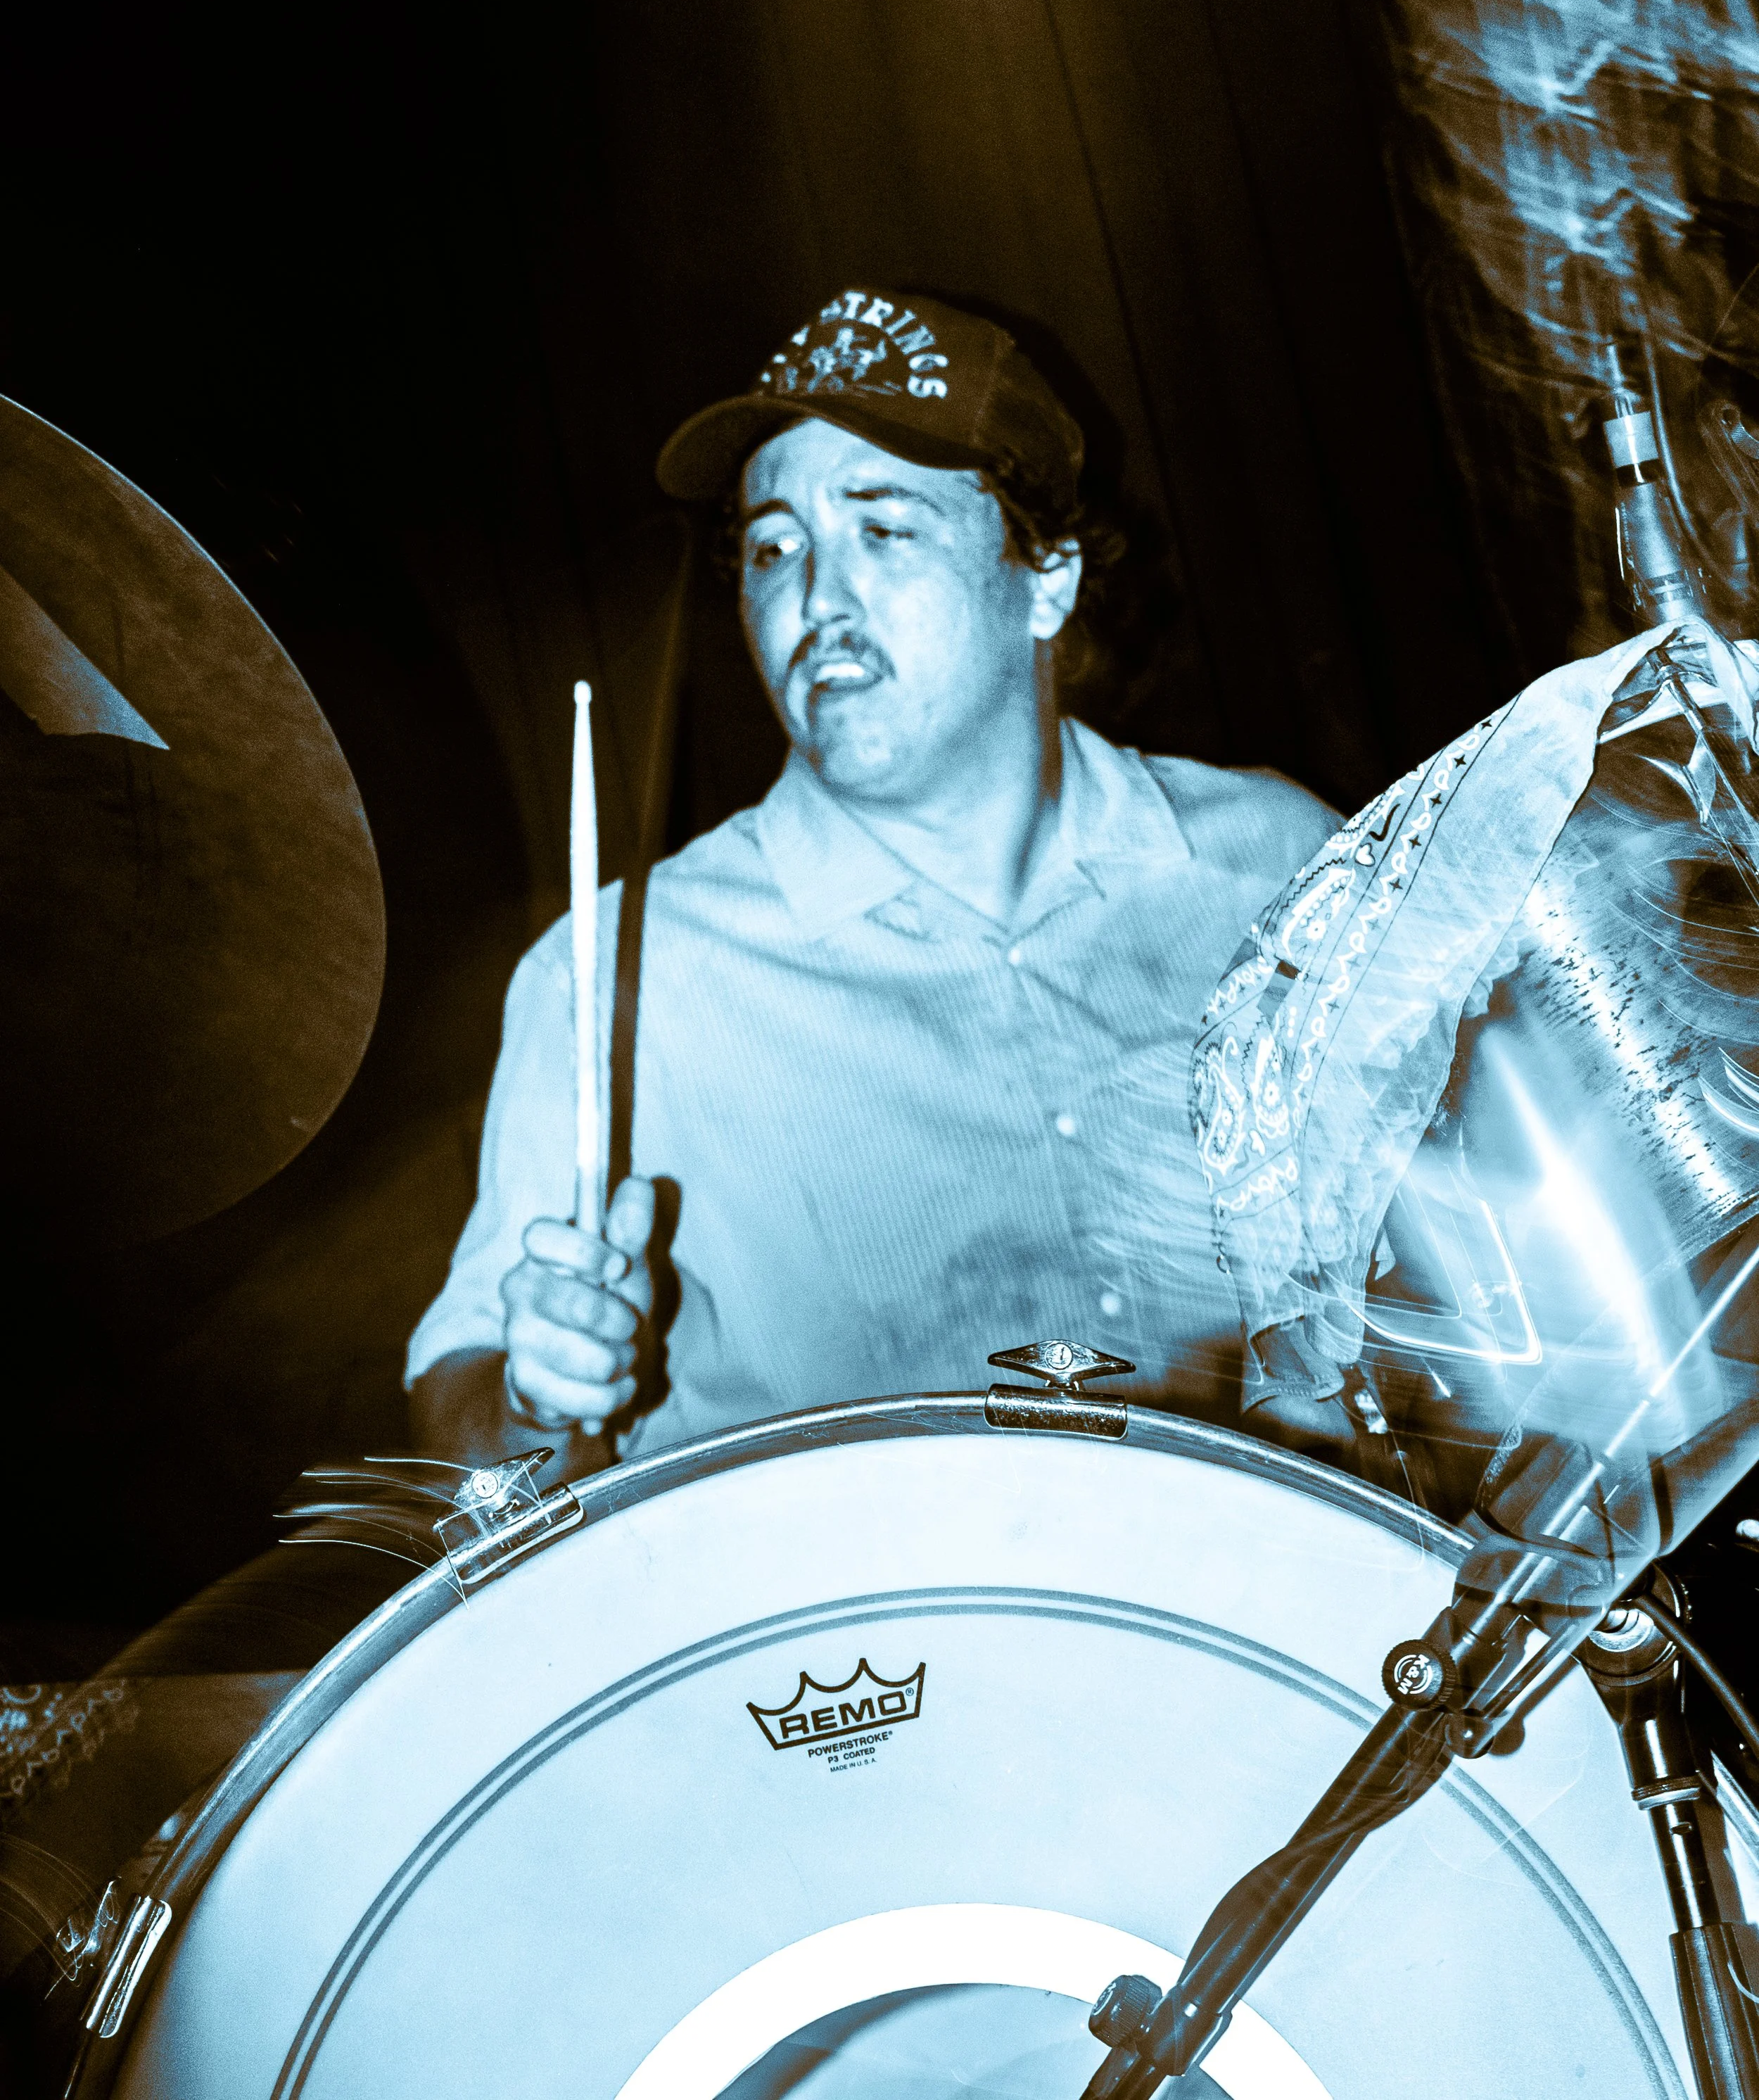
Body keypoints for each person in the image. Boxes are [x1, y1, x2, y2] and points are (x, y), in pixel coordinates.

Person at [408, 289, 1335, 1474]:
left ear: (1043, 578)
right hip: (862, 1659)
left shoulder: (1280, 863)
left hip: (1286, 1618)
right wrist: (541, 1396)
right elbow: (459, 1450)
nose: (817, 600)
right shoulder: (630, 977)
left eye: (882, 529)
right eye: (774, 547)